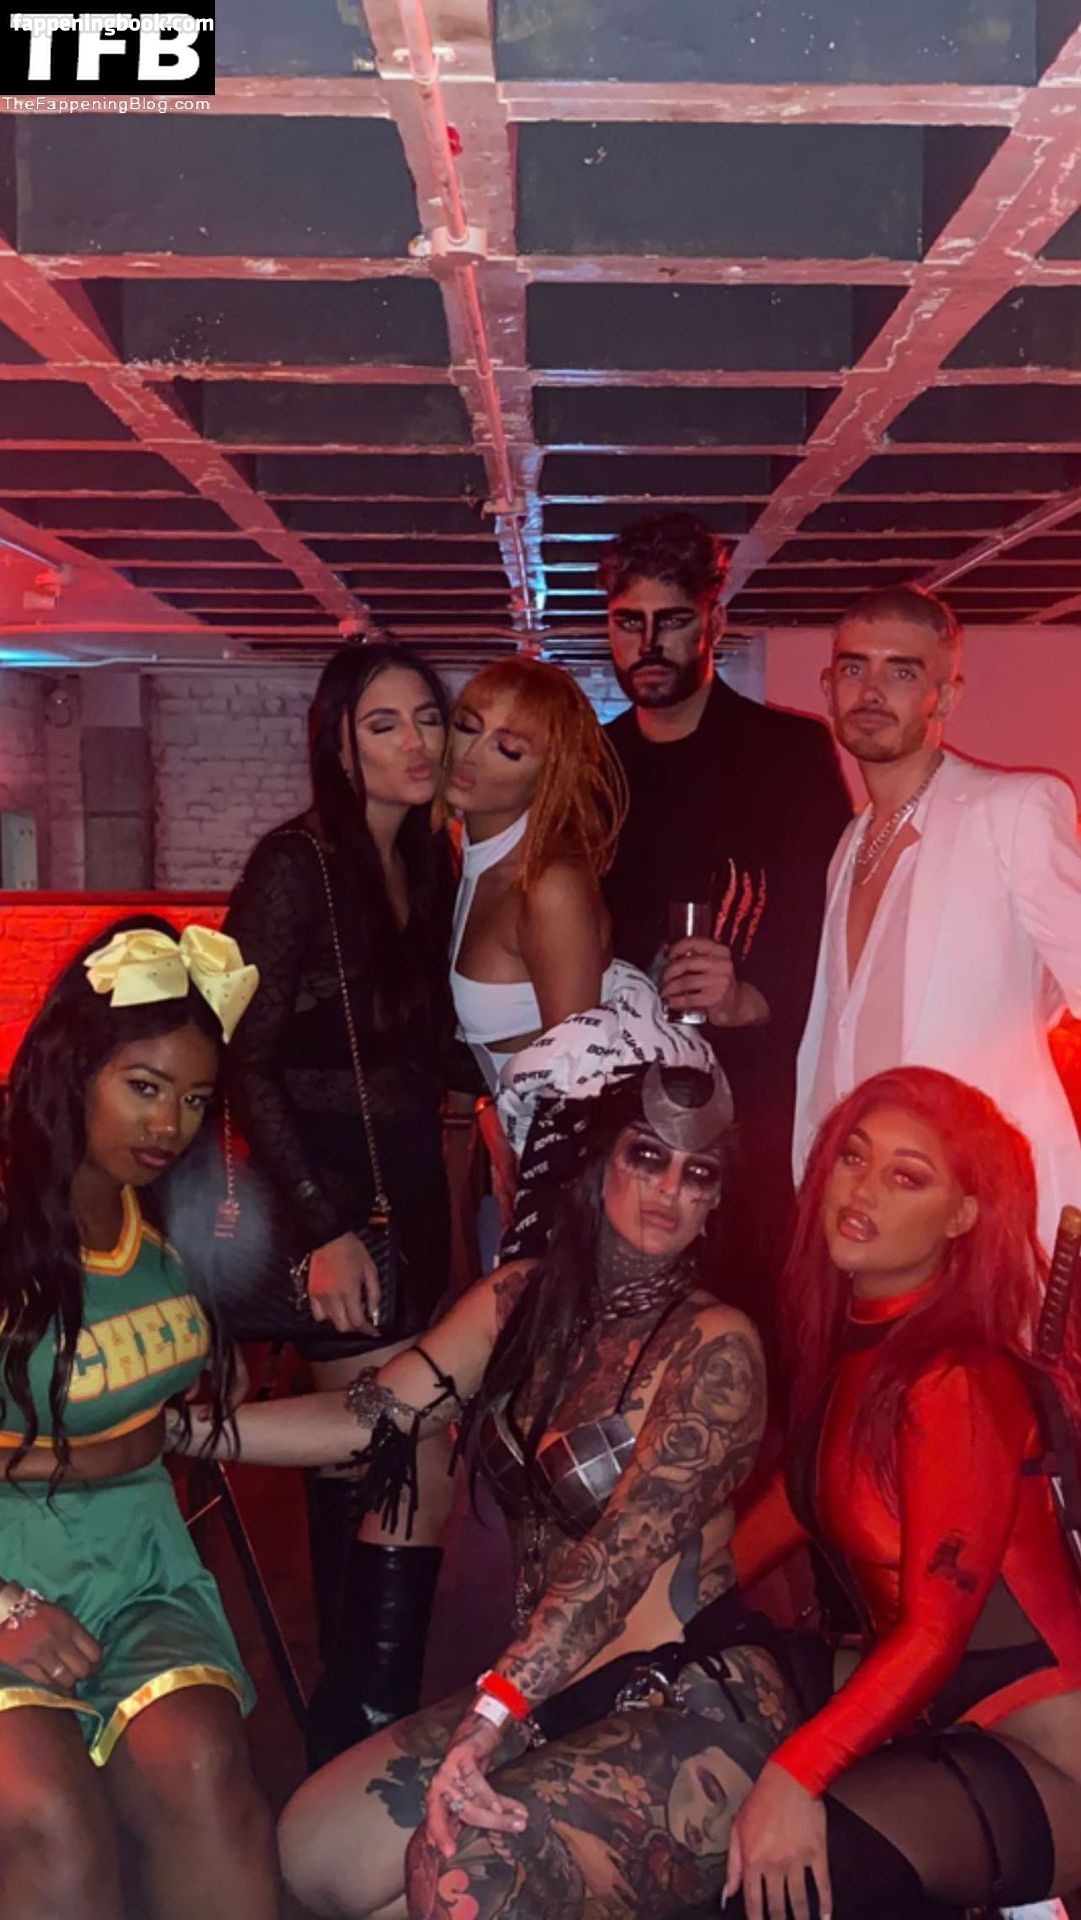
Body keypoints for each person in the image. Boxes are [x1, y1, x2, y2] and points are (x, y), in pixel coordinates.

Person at [176, 1063, 792, 1920]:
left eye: (698, 1174)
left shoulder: (715, 1346)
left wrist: (495, 1709)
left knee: (463, 1876)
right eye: (647, 1156)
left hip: (682, 1700)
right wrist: (183, 1430)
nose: (667, 1189)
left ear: (715, 1200)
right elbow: (371, 1415)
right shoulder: (519, 1299)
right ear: (599, 1162)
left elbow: (617, 1559)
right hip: (547, 1693)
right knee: (316, 1853)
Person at [0, 917, 277, 1920]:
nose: (171, 1126)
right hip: (7, 1574)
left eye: (195, 1098)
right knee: (53, 1818)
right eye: (145, 1087)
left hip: (140, 1562)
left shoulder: (162, 1213)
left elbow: (171, 1389)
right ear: (74, 1069)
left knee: (204, 1771)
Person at [223, 640, 457, 1765]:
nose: (417, 743)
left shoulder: (428, 858)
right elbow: (242, 1057)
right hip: (331, 1206)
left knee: (393, 1459)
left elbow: (425, 1053)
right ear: (339, 745)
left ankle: (365, 1730)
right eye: (384, 723)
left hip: (412, 1198)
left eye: (429, 718)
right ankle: (354, 1738)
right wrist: (319, 1225)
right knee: (378, 1460)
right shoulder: (294, 865)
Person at [600, 512, 852, 1323]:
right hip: (622, 1108)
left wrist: (751, 997)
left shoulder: (786, 753)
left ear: (712, 620)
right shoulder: (594, 764)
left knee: (748, 1326)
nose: (648, 645)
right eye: (628, 622)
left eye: (671, 621)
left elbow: (832, 927)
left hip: (753, 1110)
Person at [795, 583, 1081, 1251]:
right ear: (827, 687)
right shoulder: (850, 842)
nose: (871, 690)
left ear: (944, 697)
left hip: (987, 1210)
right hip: (864, 1214)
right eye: (853, 668)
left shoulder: (1013, 810)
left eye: (901, 672)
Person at [446, 655, 628, 1091]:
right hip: (505, 1123)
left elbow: (578, 1084)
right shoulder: (466, 854)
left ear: (550, 774)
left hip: (544, 1129)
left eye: (508, 749)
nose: (470, 755)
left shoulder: (550, 887)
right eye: (467, 727)